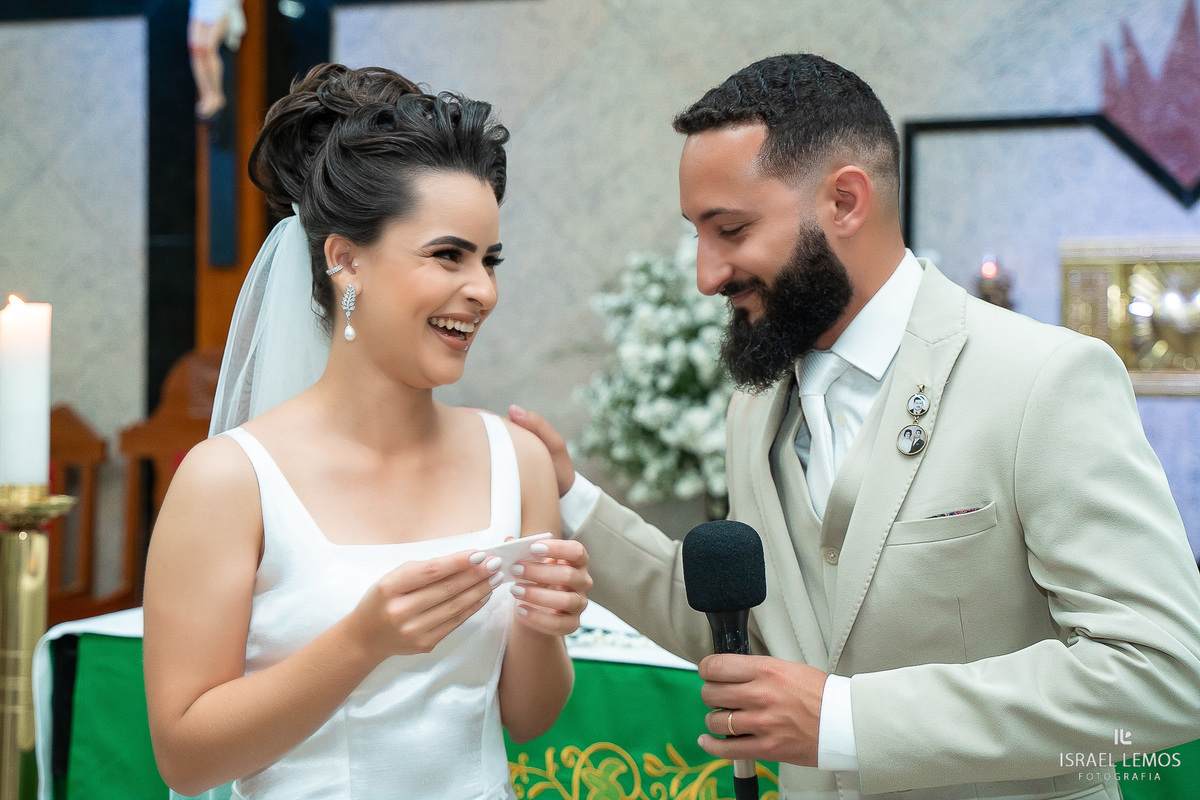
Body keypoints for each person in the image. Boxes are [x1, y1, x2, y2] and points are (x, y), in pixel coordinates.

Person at [511, 53, 1200, 799]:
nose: (707, 274)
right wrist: (570, 499)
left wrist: (845, 719)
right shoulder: (756, 407)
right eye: (698, 235)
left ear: (845, 202)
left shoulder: (1044, 381)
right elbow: (748, 625)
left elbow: (1164, 672)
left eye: (731, 230)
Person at [143, 63, 591, 800]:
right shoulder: (230, 481)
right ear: (346, 260)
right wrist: (363, 643)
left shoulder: (517, 461)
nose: (481, 290)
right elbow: (187, 761)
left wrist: (545, 623)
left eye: (489, 260)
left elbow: (527, 716)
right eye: (449, 255)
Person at [188, 0, 245, 120]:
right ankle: (206, 95)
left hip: (220, 5)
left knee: (208, 48)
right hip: (202, 4)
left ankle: (216, 95)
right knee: (196, 49)